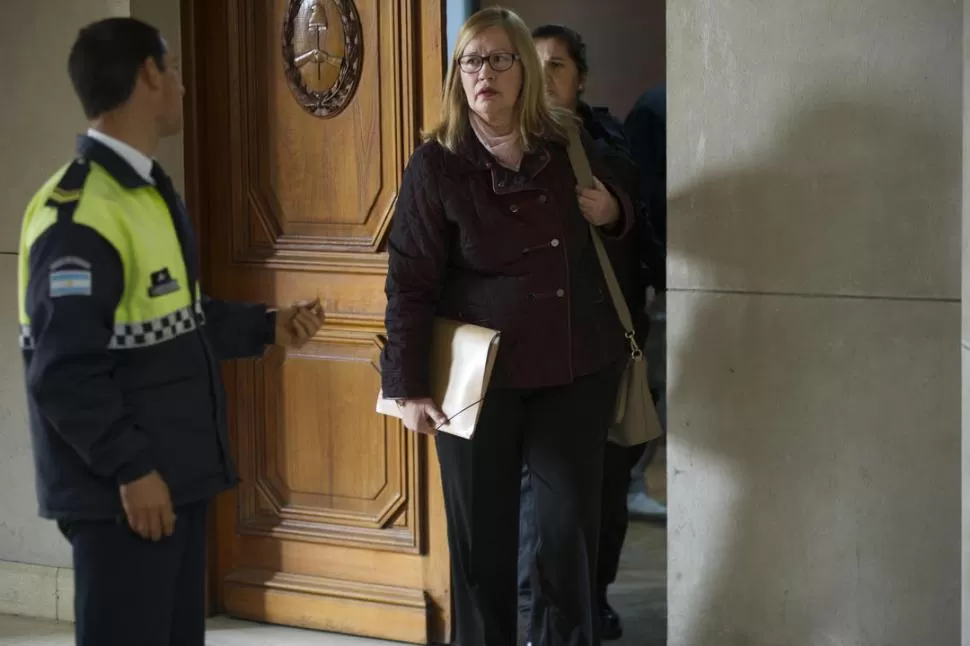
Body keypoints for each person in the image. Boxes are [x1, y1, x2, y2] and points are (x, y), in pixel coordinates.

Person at [17, 18, 325, 646]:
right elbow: (63, 370)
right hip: (123, 497)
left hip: (175, 478)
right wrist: (131, 469)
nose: (183, 86)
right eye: (176, 69)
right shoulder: (80, 214)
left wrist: (267, 328)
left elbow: (175, 316)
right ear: (149, 74)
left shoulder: (149, 192)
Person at [380, 8, 638, 646]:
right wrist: (407, 387)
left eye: (499, 59)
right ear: (456, 75)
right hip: (477, 379)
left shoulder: (566, 145)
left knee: (567, 536)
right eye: (470, 60)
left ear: (524, 68)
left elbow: (638, 240)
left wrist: (617, 215)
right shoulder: (435, 163)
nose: (483, 73)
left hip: (574, 368)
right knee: (480, 548)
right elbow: (410, 282)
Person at [516, 24, 663, 641]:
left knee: (604, 484)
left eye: (557, 66)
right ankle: (536, 618)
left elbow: (645, 232)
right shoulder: (505, 142)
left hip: (606, 345)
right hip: (534, 352)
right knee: (539, 497)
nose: (544, 77)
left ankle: (590, 600)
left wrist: (615, 213)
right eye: (535, 64)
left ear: (580, 79)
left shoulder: (609, 141)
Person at [624, 85, 668, 519]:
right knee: (648, 386)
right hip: (662, 272)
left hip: (671, 270)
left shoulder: (659, 104)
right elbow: (645, 195)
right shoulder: (655, 109)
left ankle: (634, 481)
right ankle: (632, 482)